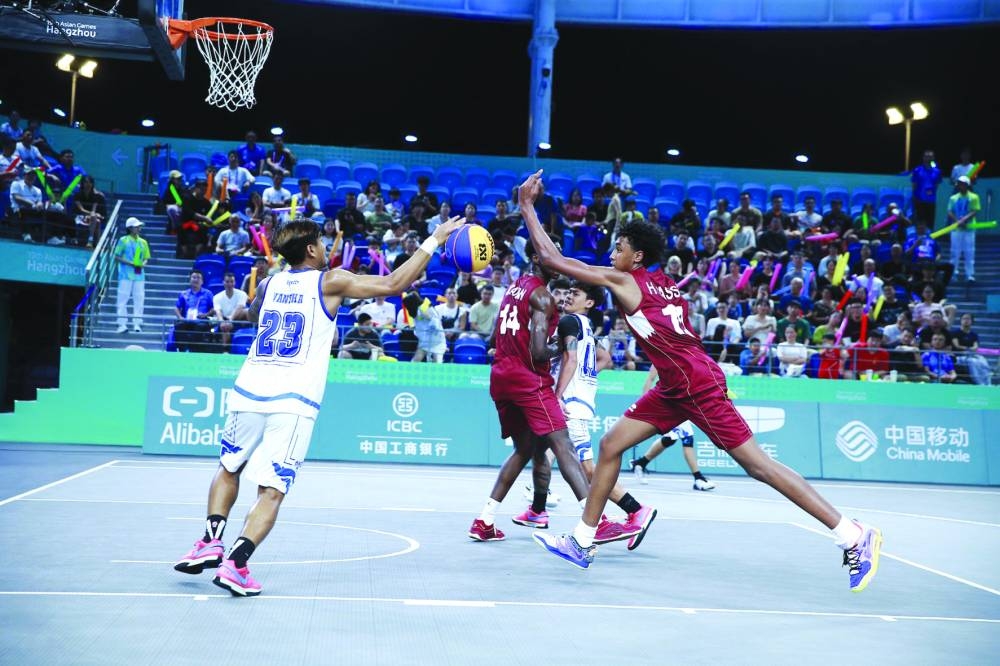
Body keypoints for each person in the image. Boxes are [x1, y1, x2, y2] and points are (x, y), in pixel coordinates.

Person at [518, 171, 881, 591]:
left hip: (695, 385)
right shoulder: (665, 284)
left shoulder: (625, 280)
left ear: (636, 258)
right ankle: (582, 542)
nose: (613, 250)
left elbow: (554, 261)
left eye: (620, 246)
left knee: (758, 466)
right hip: (675, 385)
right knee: (611, 444)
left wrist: (528, 206)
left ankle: (853, 534)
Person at [174, 215, 465, 596]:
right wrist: (434, 239)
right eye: (322, 243)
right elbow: (396, 283)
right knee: (272, 489)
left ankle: (210, 540)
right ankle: (236, 564)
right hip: (292, 398)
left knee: (228, 467)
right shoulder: (331, 280)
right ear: (311, 249)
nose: (328, 248)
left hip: (249, 388)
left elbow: (253, 316)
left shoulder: (268, 282)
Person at [467, 241, 593, 543]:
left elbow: (496, 338)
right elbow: (538, 351)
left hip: (501, 376)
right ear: (536, 258)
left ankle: (484, 520)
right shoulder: (542, 296)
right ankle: (595, 522)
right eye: (550, 253)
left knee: (524, 450)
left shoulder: (514, 287)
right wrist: (560, 347)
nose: (556, 258)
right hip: (528, 380)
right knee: (564, 445)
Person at [534, 281, 653, 544]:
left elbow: (572, 359)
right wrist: (586, 378)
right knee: (550, 451)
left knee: (586, 469)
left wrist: (556, 395)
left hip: (572, 402)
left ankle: (634, 511)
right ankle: (537, 507)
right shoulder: (586, 327)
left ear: (589, 303)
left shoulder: (569, 323)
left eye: (575, 294)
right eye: (567, 292)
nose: (567, 296)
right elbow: (605, 359)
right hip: (582, 397)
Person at [630, 369, 716, 490]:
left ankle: (640, 463)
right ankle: (698, 479)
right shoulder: (660, 357)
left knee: (670, 439)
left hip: (680, 402)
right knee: (687, 437)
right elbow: (650, 379)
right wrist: (644, 405)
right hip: (667, 403)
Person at [113, 217, 150, 333]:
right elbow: (117, 256)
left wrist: (142, 264)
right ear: (130, 228)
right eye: (136, 226)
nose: (139, 228)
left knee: (139, 298)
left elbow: (146, 258)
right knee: (123, 299)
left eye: (139, 226)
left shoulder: (143, 242)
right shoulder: (123, 240)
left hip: (139, 275)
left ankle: (137, 324)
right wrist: (131, 263)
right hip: (125, 274)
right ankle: (122, 324)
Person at [947, 175, 979, 282]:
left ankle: (969, 274)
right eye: (960, 183)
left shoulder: (974, 197)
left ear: (967, 185)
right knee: (954, 252)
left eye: (963, 183)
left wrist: (964, 220)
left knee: (969, 252)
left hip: (969, 228)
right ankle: (953, 273)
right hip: (956, 229)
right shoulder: (953, 198)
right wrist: (958, 221)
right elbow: (950, 211)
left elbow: (974, 211)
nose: (961, 185)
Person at [213, 272, 249, 351]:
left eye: (231, 282)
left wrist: (230, 320)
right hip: (225, 319)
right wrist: (222, 322)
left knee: (246, 311)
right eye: (227, 282)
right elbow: (218, 311)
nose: (229, 284)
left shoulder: (242, 294)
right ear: (223, 283)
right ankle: (225, 350)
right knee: (225, 326)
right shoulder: (217, 297)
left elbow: (240, 307)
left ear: (234, 282)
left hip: (238, 319)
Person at [910, 149, 942, 228]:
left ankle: (929, 239)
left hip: (931, 201)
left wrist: (931, 194)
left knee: (930, 223)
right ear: (923, 158)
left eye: (930, 156)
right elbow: (914, 185)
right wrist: (914, 197)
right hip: (919, 200)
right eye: (926, 156)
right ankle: (919, 239)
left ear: (933, 158)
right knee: (919, 222)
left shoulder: (937, 171)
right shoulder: (917, 170)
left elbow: (937, 185)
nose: (928, 158)